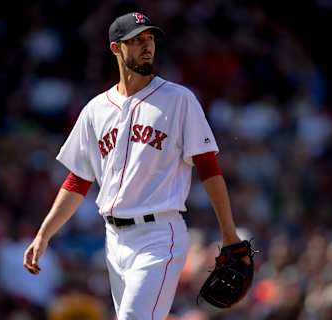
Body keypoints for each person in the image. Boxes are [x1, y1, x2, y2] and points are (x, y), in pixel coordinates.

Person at [23, 12, 244, 320]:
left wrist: (228, 232)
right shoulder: (95, 110)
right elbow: (78, 181)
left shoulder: (179, 99)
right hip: (113, 240)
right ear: (116, 48)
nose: (147, 46)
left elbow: (209, 168)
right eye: (137, 40)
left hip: (159, 235)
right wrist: (44, 235)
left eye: (150, 38)